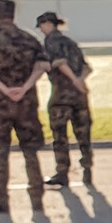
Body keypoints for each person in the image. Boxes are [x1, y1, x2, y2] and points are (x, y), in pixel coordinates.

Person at [0, 0, 49, 214]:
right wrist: (24, 87)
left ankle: (0, 199)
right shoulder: (29, 39)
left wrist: (4, 88)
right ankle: (37, 198)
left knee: (0, 153)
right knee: (30, 152)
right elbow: (43, 65)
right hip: (26, 102)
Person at [34, 11, 94, 187]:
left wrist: (74, 81)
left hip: (62, 95)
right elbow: (87, 68)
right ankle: (87, 168)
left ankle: (62, 172)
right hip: (80, 96)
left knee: (60, 135)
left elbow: (60, 63)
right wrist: (81, 82)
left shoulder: (51, 42)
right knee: (83, 134)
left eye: (41, 26)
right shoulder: (71, 43)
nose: (41, 30)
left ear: (48, 24)